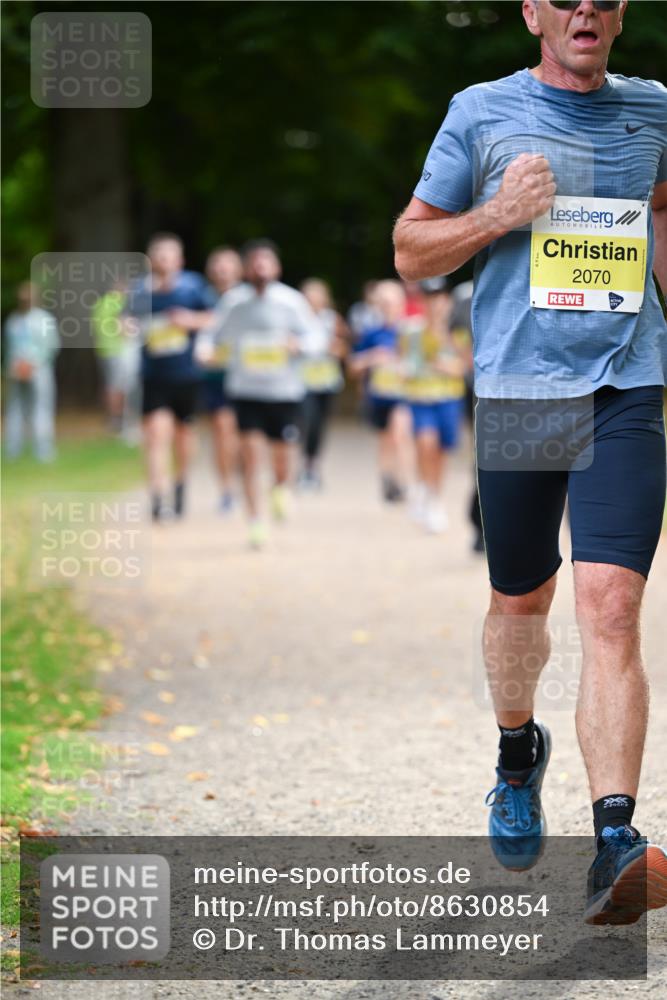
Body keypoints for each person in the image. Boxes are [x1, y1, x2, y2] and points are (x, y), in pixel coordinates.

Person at [394, 0, 667, 924]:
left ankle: (615, 837)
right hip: (521, 388)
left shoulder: (656, 111)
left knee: (612, 605)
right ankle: (517, 752)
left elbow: (660, 212)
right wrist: (497, 213)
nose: (584, 7)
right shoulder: (480, 109)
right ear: (534, 14)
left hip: (627, 383)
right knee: (521, 598)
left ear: (619, 16)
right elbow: (409, 249)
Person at [209, 240, 326, 548]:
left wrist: (299, 346)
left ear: (277, 268)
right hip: (245, 391)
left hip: (284, 392)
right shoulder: (234, 302)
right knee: (249, 457)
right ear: (246, 268)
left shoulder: (291, 301)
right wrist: (206, 353)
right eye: (255, 262)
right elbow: (212, 336)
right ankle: (256, 522)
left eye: (267, 261)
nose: (260, 267)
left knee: (282, 459)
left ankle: (280, 487)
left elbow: (317, 337)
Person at [126, 233, 209, 521]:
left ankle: (180, 484)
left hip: (186, 375)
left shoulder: (194, 287)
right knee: (156, 435)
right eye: (158, 253)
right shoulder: (139, 291)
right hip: (153, 375)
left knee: (184, 436)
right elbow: (124, 321)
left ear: (179, 259)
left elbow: (216, 318)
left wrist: (189, 321)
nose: (163, 259)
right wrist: (127, 326)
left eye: (168, 254)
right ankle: (158, 498)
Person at [171, 246, 245, 513]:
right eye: (217, 265)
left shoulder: (247, 298)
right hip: (215, 377)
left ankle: (244, 480)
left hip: (249, 378)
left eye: (228, 265)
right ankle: (226, 490)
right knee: (223, 429)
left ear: (239, 269)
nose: (222, 270)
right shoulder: (200, 296)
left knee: (244, 436)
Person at [403, 277, 468, 534]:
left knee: (441, 451)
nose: (435, 304)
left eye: (439, 298)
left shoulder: (457, 332)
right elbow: (403, 362)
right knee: (425, 442)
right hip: (421, 398)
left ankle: (434, 496)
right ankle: (426, 488)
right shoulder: (411, 331)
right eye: (429, 298)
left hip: (448, 398)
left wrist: (448, 365)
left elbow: (464, 365)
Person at [348, 280, 413, 503]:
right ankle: (387, 478)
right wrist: (372, 358)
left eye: (391, 302)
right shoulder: (370, 334)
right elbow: (353, 366)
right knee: (386, 439)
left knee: (399, 434)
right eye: (382, 302)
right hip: (378, 396)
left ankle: (405, 483)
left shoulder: (410, 332)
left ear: (402, 303)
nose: (387, 307)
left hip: (403, 395)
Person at [298, 278, 349, 489]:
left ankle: (313, 466)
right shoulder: (297, 319)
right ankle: (302, 465)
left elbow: (344, 349)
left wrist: (332, 349)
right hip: (302, 382)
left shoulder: (332, 319)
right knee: (305, 423)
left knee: (319, 425)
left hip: (326, 382)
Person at [3, 281, 59, 462]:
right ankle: (40, 451)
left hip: (25, 369)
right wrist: (29, 364)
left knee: (19, 410)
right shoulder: (42, 319)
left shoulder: (13, 321)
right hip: (33, 370)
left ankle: (17, 450)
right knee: (36, 409)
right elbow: (52, 346)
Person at [91, 282, 140, 440]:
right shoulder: (119, 302)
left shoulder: (100, 303)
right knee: (119, 386)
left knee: (110, 385)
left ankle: (113, 418)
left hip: (103, 349)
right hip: (118, 350)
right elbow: (125, 326)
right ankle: (118, 420)